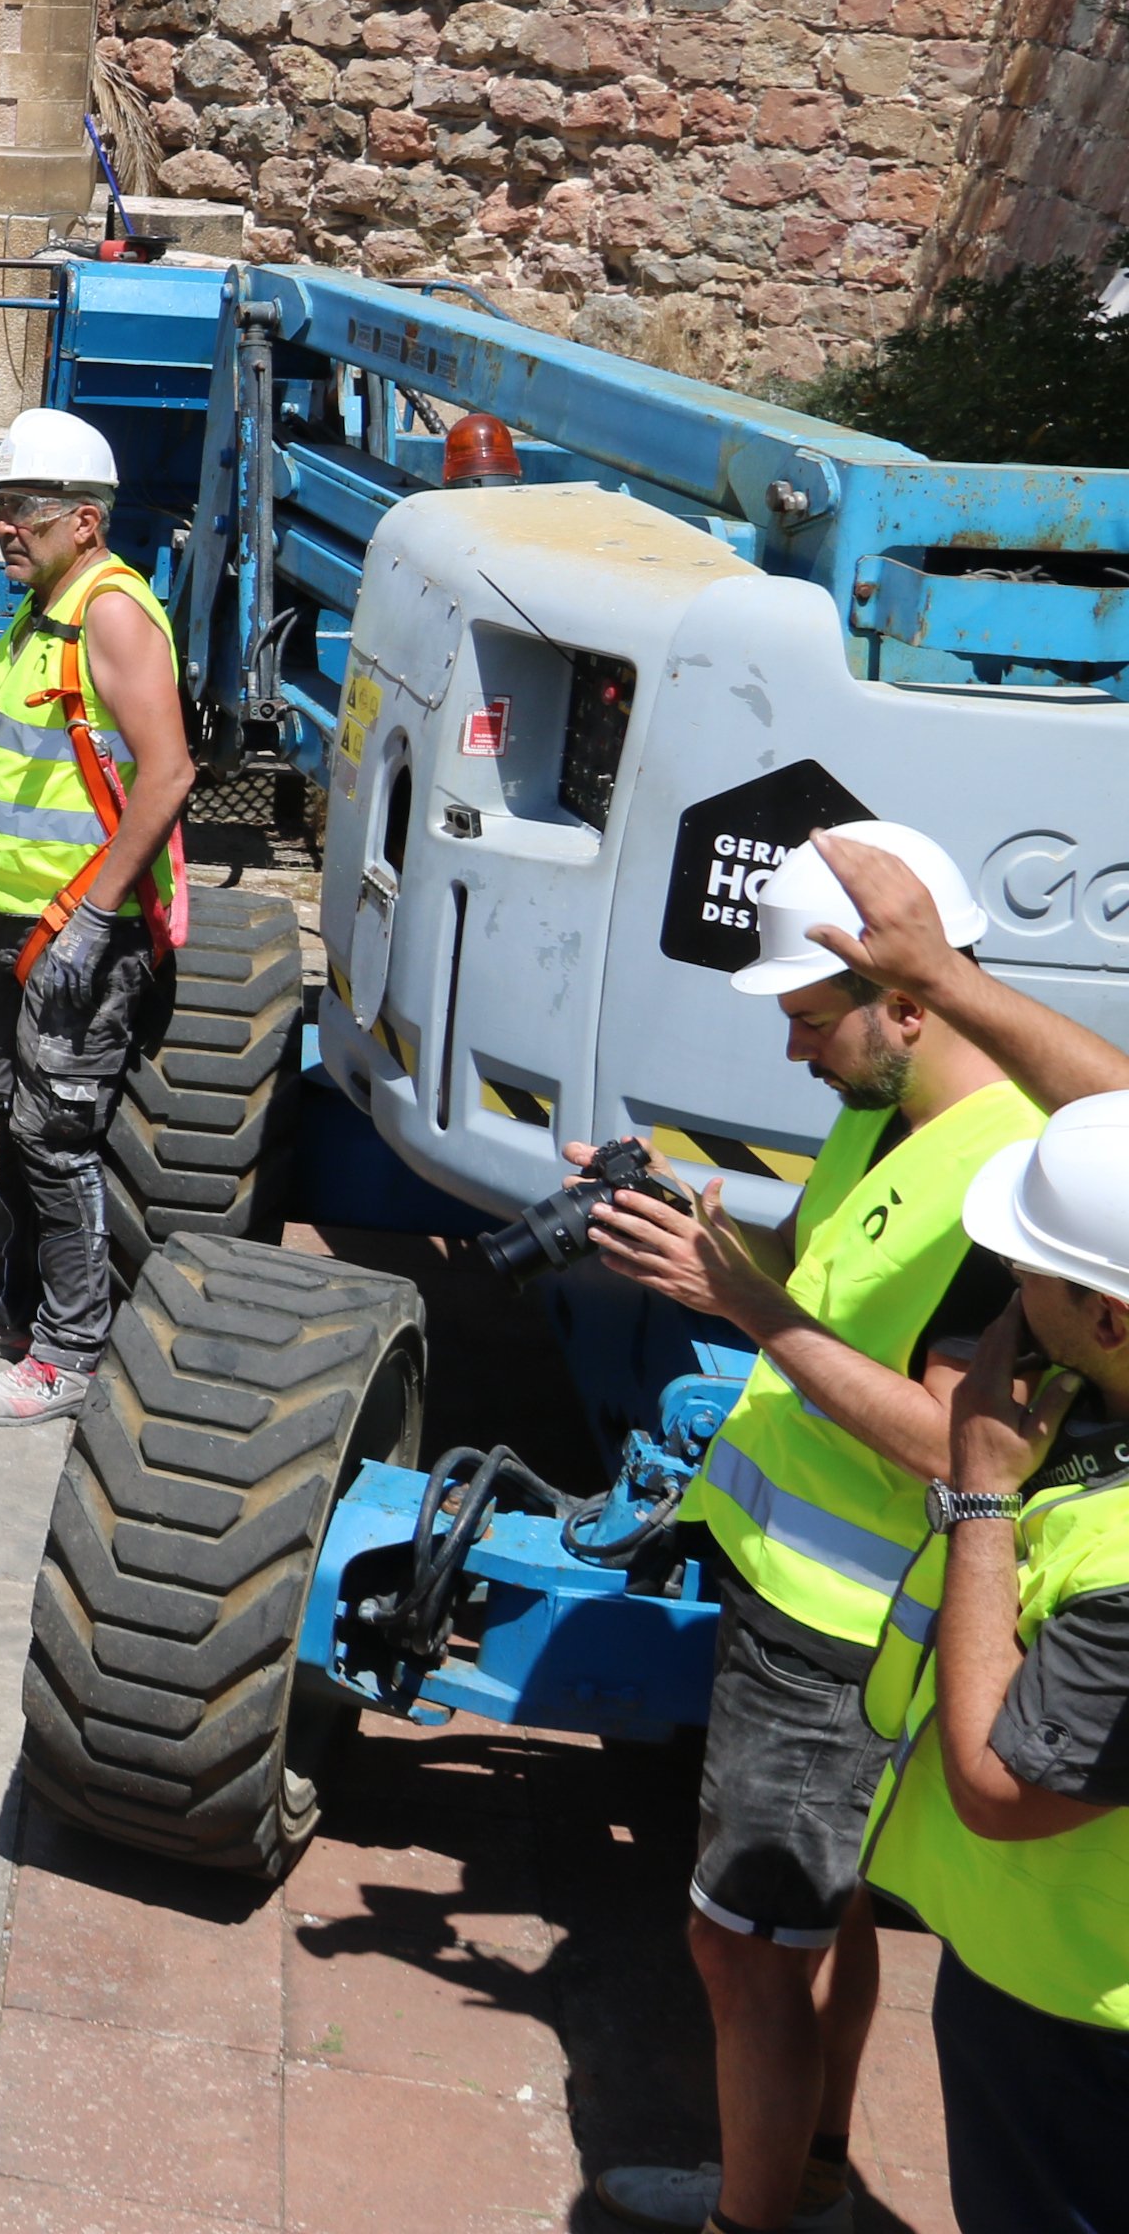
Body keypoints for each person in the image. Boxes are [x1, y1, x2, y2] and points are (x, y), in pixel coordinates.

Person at [578, 823, 1045, 2234]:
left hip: (850, 1633)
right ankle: (813, 2174)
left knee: (738, 1952)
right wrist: (717, 1241)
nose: (794, 1057)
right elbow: (838, 1273)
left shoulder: (1002, 1187)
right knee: (815, 1918)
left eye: (808, 1022)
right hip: (804, 1605)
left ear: (910, 1000)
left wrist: (751, 1310)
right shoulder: (887, 1114)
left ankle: (753, 2220)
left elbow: (965, 1444)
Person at [0, 406, 193, 1428]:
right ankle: (11, 1303)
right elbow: (16, 770)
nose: (4, 525)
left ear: (85, 521)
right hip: (20, 920)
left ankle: (68, 1351)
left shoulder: (110, 613)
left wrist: (96, 922)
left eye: (24, 508)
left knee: (60, 1140)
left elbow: (171, 773)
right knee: (14, 1124)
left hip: (79, 931)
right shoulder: (38, 611)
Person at [858, 1090, 1129, 2234]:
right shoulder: (1100, 1411)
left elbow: (998, 1786)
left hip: (1078, 2019)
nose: (1007, 1299)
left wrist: (980, 1491)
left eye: (1029, 1275)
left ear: (1110, 1316)